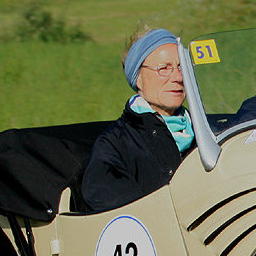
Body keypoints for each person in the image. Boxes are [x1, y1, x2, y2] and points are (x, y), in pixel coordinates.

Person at [81, 26, 195, 212]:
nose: (177, 77)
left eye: (181, 67)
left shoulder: (206, 130)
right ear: (138, 79)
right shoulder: (116, 143)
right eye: (164, 68)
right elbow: (105, 199)